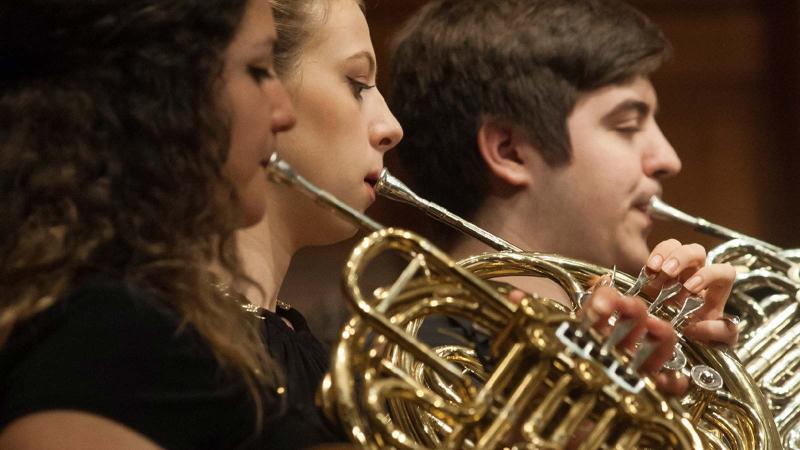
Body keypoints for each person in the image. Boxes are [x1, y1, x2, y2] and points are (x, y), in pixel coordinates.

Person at [0, 0, 296, 448]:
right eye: (258, 68)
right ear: (160, 96)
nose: (283, 112)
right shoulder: (100, 345)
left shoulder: (132, 318)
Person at [389, 0, 737, 348]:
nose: (669, 159)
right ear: (509, 151)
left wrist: (691, 362)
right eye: (627, 125)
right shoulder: (424, 356)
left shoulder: (622, 333)